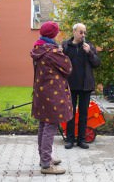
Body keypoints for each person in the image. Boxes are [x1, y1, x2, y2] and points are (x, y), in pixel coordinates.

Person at [30, 21, 73, 174]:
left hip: (42, 93)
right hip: (53, 94)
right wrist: (60, 52)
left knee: (43, 125)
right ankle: (47, 165)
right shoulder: (52, 51)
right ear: (53, 34)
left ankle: (44, 157)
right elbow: (68, 68)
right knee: (50, 126)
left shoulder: (39, 47)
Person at [61, 23, 101, 149]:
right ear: (74, 32)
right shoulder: (65, 45)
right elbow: (60, 64)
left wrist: (89, 52)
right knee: (70, 113)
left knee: (83, 113)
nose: (83, 35)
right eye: (80, 32)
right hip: (70, 85)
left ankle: (81, 139)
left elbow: (96, 63)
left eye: (84, 32)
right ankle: (70, 139)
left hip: (85, 86)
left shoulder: (88, 46)